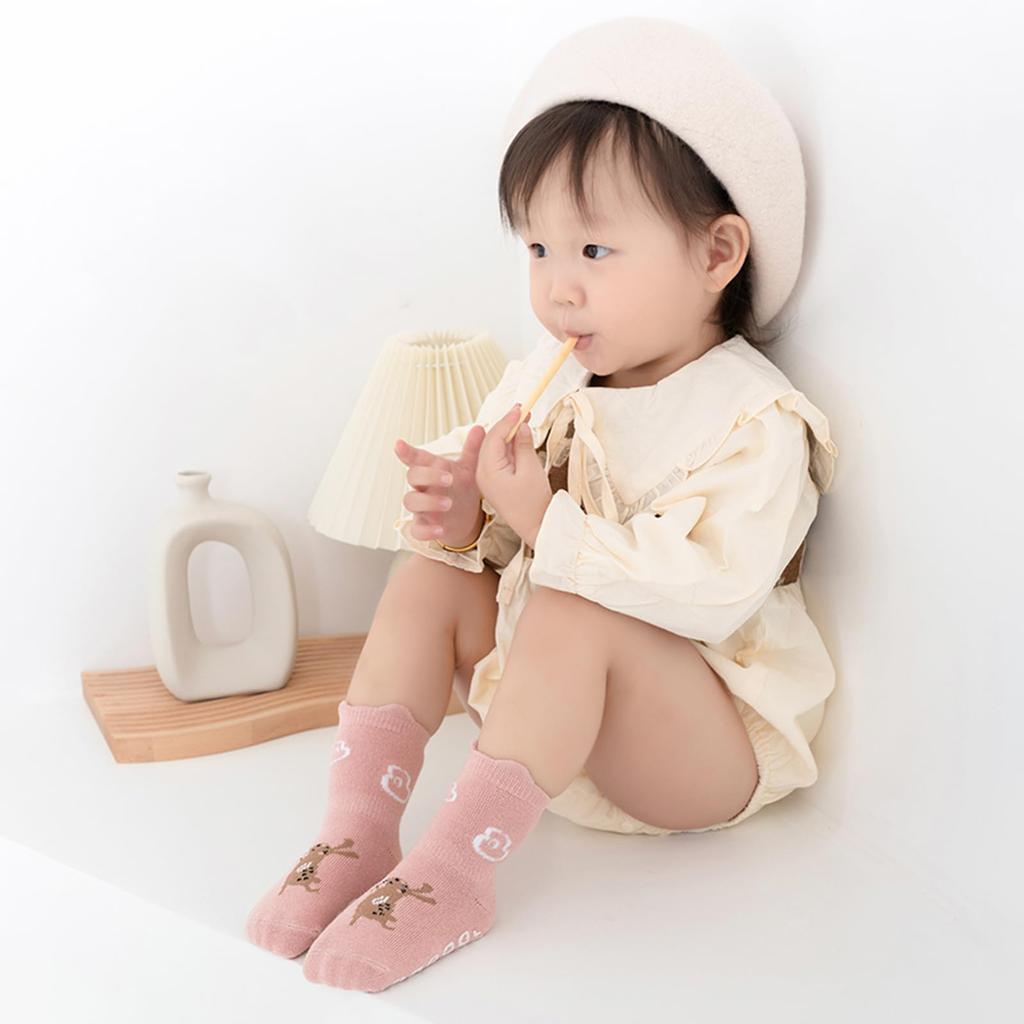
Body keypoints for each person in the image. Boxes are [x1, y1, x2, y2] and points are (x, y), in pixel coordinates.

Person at [247, 16, 840, 992]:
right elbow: (483, 511)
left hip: (699, 753)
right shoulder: (551, 376)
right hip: (554, 724)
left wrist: (537, 521)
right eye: (536, 247)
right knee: (428, 575)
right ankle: (356, 833)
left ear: (717, 253)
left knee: (574, 606)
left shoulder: (752, 420)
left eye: (595, 249)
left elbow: (711, 594)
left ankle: (452, 876)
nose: (557, 289)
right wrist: (459, 510)